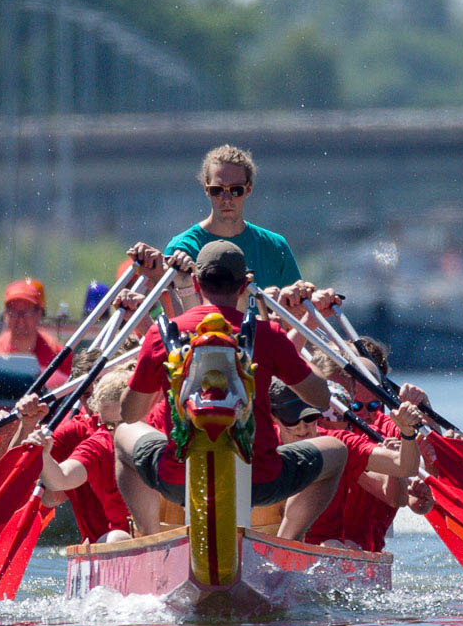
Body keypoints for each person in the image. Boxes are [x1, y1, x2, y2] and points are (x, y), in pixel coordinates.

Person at [113, 239, 350, 542]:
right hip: (259, 479)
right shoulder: (268, 334)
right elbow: (320, 397)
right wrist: (290, 348)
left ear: (196, 282)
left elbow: (130, 413)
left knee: (123, 433)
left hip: (179, 478)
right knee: (337, 452)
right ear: (243, 286)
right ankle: (286, 543)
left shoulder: (161, 334)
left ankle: (149, 539)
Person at [270, 379, 431, 553]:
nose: (302, 428)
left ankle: (281, 554)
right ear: (274, 418)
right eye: (292, 420)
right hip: (270, 530)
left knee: (336, 545)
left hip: (341, 546)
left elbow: (404, 471)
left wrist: (407, 433)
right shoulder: (261, 439)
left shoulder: (337, 445)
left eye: (309, 418)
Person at [10, 364, 136, 544]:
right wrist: (40, 449)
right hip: (115, 540)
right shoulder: (98, 442)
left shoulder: (163, 423)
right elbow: (57, 480)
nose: (118, 433)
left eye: (125, 423)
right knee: (118, 538)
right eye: (110, 425)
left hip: (165, 533)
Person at [163, 144, 301, 290]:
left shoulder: (275, 247)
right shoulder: (181, 249)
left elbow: (298, 303)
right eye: (217, 190)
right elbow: (168, 303)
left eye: (236, 190)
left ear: (248, 189)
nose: (227, 199)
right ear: (206, 190)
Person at [0, 278, 58, 369]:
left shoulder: (59, 358)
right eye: (14, 312)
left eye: (27, 312)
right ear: (5, 314)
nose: (20, 319)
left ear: (39, 314)